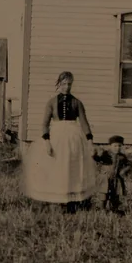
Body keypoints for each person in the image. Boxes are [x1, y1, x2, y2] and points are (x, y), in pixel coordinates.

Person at [23, 71, 96, 213]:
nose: (66, 87)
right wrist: (47, 142)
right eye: (63, 84)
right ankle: (55, 200)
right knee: (55, 168)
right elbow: (44, 124)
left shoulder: (77, 102)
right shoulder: (51, 102)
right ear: (59, 84)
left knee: (71, 167)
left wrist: (90, 142)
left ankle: (71, 201)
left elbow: (84, 123)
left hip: (73, 137)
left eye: (69, 84)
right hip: (56, 137)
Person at [94, 134, 131, 215]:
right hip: (105, 178)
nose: (117, 148)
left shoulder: (122, 157)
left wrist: (124, 170)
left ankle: (114, 209)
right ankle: (102, 209)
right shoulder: (105, 154)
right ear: (110, 146)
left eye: (119, 146)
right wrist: (94, 155)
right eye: (115, 146)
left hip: (116, 178)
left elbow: (128, 165)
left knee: (115, 194)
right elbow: (98, 159)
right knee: (103, 194)